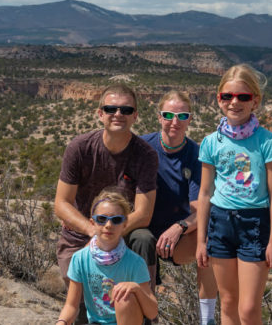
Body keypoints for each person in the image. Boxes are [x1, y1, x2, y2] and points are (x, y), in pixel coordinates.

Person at [54, 83, 159, 323]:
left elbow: (143, 213)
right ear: (100, 113)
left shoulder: (144, 154)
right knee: (79, 296)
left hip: (123, 227)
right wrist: (94, 230)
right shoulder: (80, 148)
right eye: (111, 108)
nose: (118, 114)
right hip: (84, 231)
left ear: (135, 115)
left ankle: (146, 311)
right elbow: (61, 204)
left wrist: (112, 229)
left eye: (125, 109)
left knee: (144, 239)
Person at [196, 64, 272, 325]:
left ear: (255, 101)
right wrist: (202, 240)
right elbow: (205, 193)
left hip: (254, 224)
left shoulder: (269, 142)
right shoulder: (211, 142)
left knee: (248, 309)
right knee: (227, 303)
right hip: (220, 224)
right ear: (219, 99)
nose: (234, 102)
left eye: (243, 97)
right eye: (228, 96)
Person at [141, 90, 218, 325]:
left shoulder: (196, 155)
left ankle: (207, 319)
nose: (175, 122)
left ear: (190, 119)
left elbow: (200, 209)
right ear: (159, 116)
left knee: (214, 240)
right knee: (139, 240)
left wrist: (180, 227)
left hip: (178, 238)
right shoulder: (143, 146)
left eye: (182, 116)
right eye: (169, 115)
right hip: (142, 229)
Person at [56, 188, 158, 325]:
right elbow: (71, 306)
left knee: (124, 297)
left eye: (116, 220)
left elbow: (152, 312)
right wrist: (61, 322)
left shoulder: (135, 262)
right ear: (92, 223)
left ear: (125, 224)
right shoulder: (80, 259)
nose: (108, 225)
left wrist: (136, 289)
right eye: (102, 219)